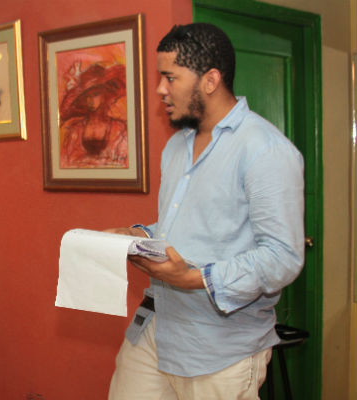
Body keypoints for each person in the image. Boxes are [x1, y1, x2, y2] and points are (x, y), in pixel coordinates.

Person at [107, 23, 304, 399]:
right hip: (157, 330)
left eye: (170, 77)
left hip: (221, 350)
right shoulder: (177, 146)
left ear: (210, 80)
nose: (160, 89)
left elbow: (283, 257)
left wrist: (197, 278)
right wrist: (140, 236)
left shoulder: (265, 150)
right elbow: (181, 230)